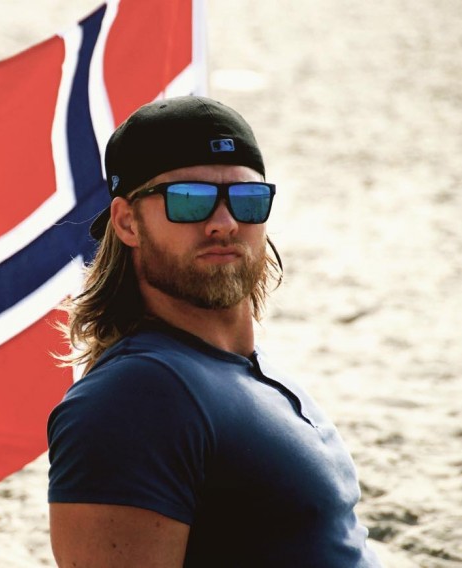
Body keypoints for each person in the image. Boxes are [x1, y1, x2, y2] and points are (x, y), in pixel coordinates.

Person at [47, 96, 381, 567]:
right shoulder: (132, 398)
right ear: (127, 222)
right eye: (190, 200)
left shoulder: (246, 365)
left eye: (247, 200)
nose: (224, 224)